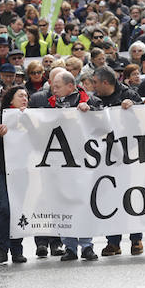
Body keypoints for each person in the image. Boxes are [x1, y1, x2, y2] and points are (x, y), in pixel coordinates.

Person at [46, 70, 102, 261]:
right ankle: (70, 246)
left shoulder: (89, 101)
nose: (53, 90)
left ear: (70, 86)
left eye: (57, 86)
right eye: (53, 86)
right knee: (65, 204)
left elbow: (104, 122)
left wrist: (91, 111)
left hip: (84, 162)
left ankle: (86, 246)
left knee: (84, 204)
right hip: (60, 164)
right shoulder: (48, 103)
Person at [91, 67, 145, 256]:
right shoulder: (94, 99)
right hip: (106, 158)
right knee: (110, 198)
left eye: (95, 83)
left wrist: (134, 106)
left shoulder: (128, 94)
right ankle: (113, 242)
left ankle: (136, 239)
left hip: (129, 157)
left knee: (132, 197)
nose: (93, 87)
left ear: (105, 82)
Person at [0, 87, 30, 264]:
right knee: (5, 208)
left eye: (27, 96)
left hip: (23, 171)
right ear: (11, 100)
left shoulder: (31, 118)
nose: (25, 99)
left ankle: (17, 249)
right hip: (2, 170)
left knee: (19, 208)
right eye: (21, 96)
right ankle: (2, 249)